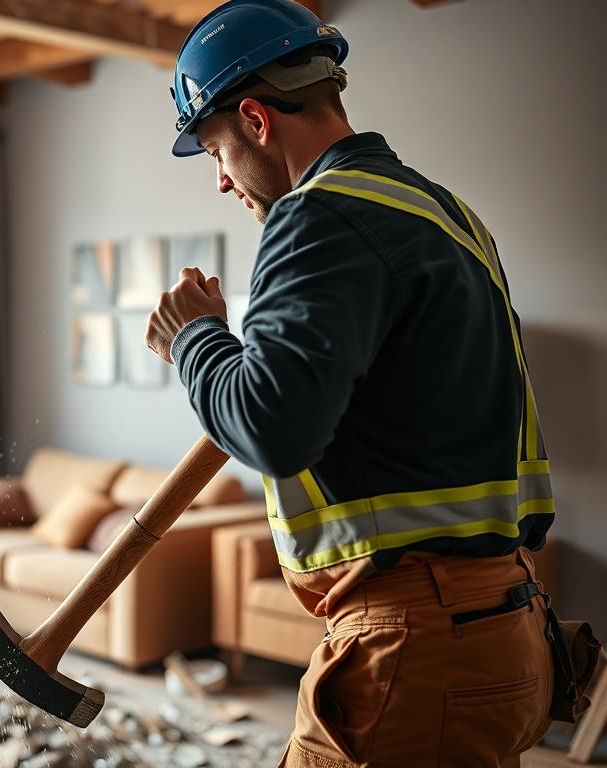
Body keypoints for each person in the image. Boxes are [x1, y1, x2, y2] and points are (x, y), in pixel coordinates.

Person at [144, 1, 568, 765]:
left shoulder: (316, 216)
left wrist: (195, 339)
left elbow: (272, 427)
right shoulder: (445, 212)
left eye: (215, 152)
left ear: (255, 119)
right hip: (503, 621)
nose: (221, 181)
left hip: (416, 640)